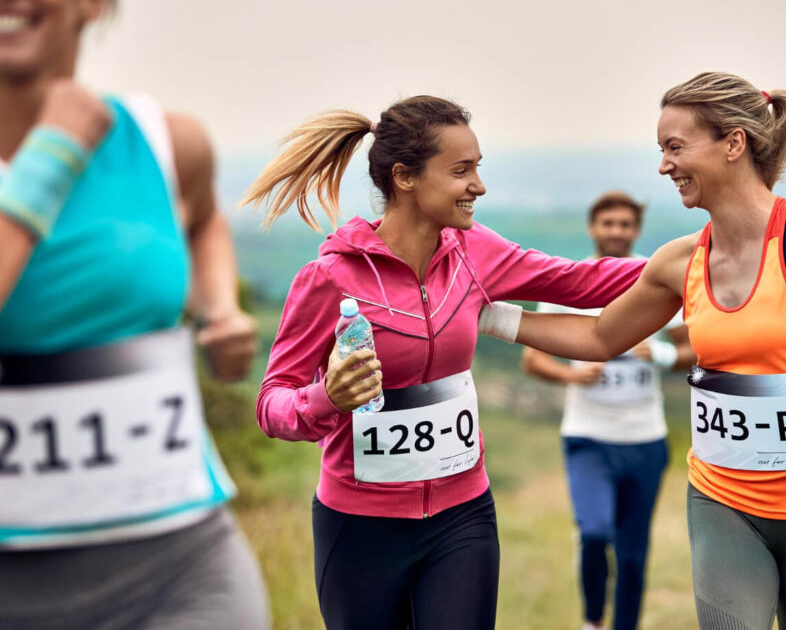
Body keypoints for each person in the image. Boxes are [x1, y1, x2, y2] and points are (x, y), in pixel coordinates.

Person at [479, 72, 786, 630]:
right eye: (661, 150)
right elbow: (598, 338)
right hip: (722, 499)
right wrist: (486, 315)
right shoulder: (679, 261)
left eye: (675, 147)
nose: (663, 166)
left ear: (733, 144)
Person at [241, 95, 646, 630]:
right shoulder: (331, 278)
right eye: (462, 171)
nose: (478, 185)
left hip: (463, 515)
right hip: (359, 526)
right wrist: (326, 399)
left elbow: (583, 282)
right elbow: (272, 403)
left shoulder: (475, 251)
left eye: (477, 168)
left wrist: (706, 256)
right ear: (406, 177)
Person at [0, 0, 268, 627]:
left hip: (185, 571)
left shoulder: (163, 141)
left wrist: (222, 306)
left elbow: (205, 216)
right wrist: (53, 151)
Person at [520, 191, 694, 630]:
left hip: (645, 439)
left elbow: (693, 348)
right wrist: (571, 376)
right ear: (592, 228)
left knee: (634, 555)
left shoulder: (655, 279)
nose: (616, 231)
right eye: (608, 223)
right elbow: (533, 358)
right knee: (595, 533)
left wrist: (655, 353)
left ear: (635, 230)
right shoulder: (568, 281)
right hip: (587, 436)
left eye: (625, 224)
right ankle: (593, 621)